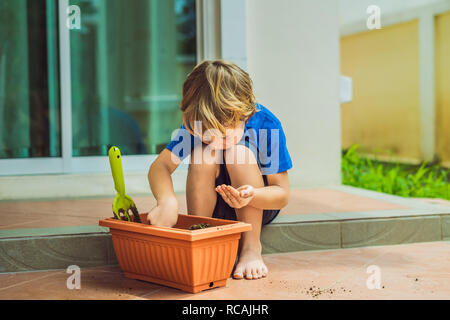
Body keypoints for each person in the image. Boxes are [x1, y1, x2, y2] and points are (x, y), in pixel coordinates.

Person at [147, 60, 292, 280]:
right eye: (206, 134)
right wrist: (166, 201)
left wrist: (252, 196)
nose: (214, 141)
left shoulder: (265, 125)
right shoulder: (198, 122)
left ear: (245, 113)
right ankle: (201, 238)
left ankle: (250, 249)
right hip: (213, 204)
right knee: (203, 154)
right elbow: (161, 166)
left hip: (256, 204)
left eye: (223, 135)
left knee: (238, 153)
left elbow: (281, 194)